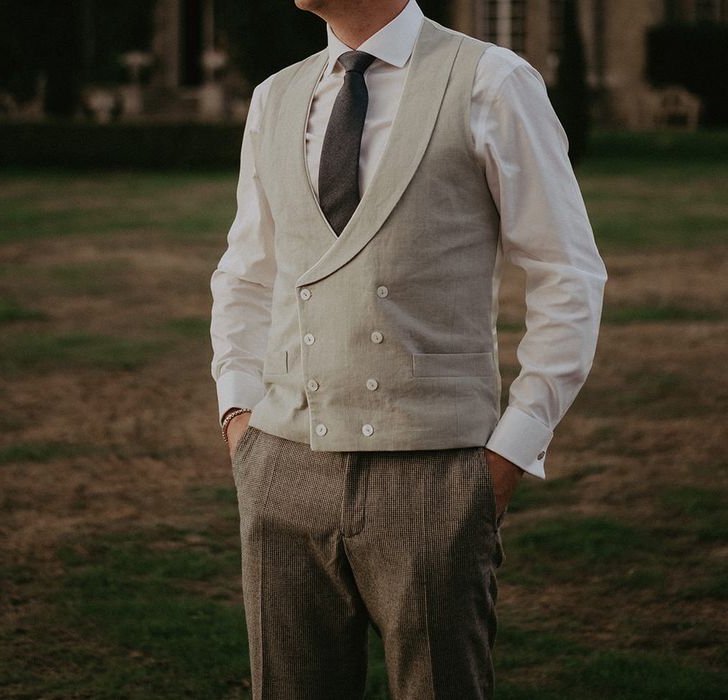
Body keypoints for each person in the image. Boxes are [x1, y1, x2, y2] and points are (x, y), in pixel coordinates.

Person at [209, 1, 607, 697]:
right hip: (280, 468)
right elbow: (246, 274)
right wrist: (239, 418)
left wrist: (510, 452)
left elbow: (567, 274)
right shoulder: (274, 98)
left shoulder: (493, 81)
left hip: (436, 478)